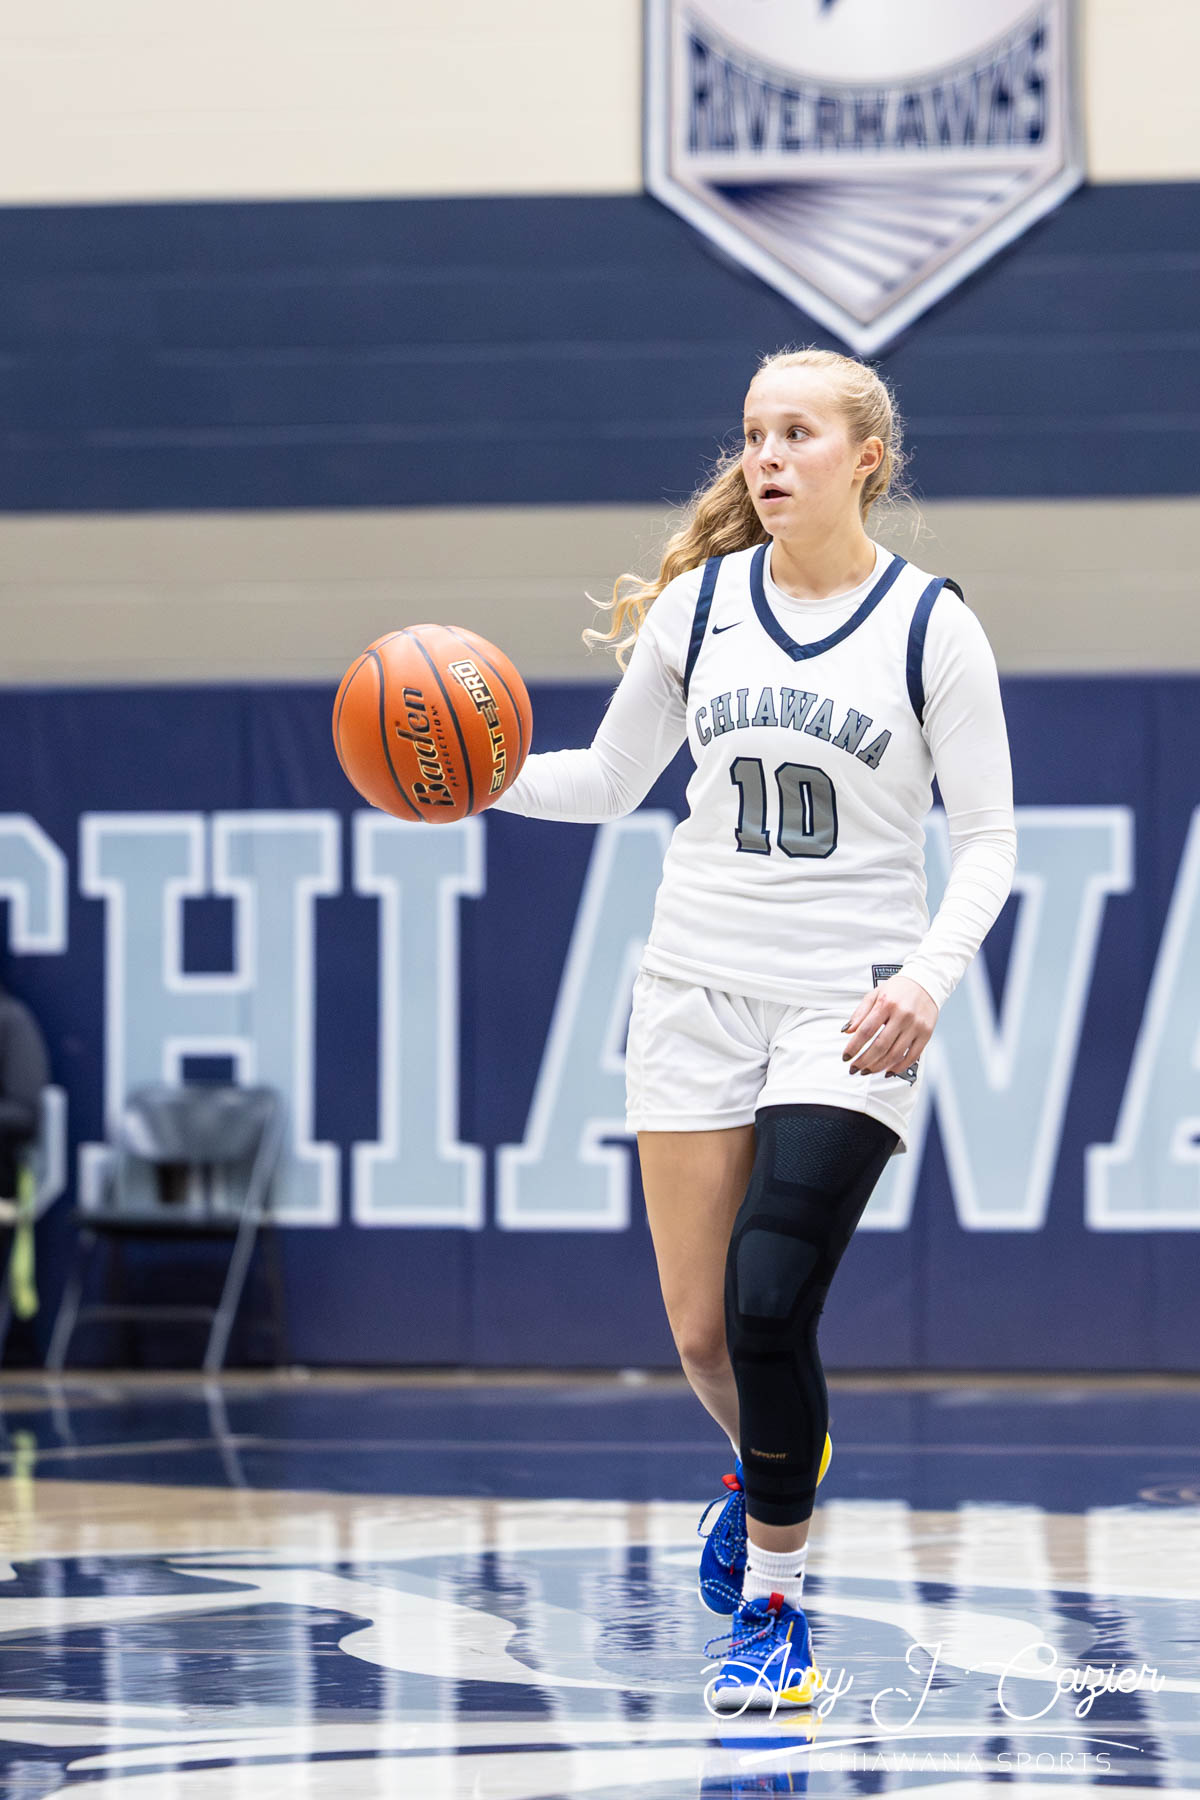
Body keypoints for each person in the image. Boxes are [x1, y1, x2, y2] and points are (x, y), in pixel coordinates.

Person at [493, 347, 1016, 1707]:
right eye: (752, 434)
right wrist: (478, 781)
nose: (766, 457)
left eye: (797, 433)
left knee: (771, 1303)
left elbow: (990, 842)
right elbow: (612, 782)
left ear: (867, 461)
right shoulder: (702, 606)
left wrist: (926, 981)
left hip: (849, 1004)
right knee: (704, 1336)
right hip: (693, 985)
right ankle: (776, 1460)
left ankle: (775, 1615)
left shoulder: (930, 628)